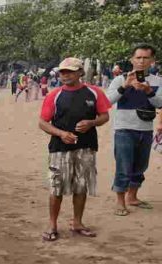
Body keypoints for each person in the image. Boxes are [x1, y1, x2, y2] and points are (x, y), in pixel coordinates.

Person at [39, 57, 111, 241]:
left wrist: (91, 123)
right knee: (56, 188)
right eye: (62, 72)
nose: (65, 75)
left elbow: (104, 116)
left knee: (81, 186)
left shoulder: (94, 93)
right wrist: (61, 134)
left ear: (81, 72)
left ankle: (77, 223)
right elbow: (43, 123)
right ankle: (52, 224)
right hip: (59, 149)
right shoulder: (53, 95)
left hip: (86, 148)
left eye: (70, 71)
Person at [106, 43, 162, 215]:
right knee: (123, 166)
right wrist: (125, 86)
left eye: (146, 58)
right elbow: (108, 101)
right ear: (132, 59)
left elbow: (160, 103)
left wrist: (148, 91)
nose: (141, 61)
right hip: (124, 128)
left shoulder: (158, 81)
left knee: (141, 165)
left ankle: (132, 196)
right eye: (138, 58)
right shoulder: (119, 79)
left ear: (152, 61)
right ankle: (120, 201)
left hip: (145, 129)